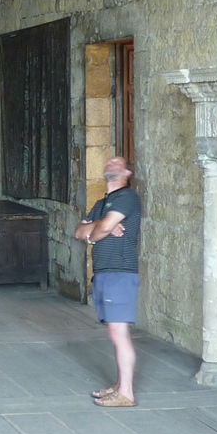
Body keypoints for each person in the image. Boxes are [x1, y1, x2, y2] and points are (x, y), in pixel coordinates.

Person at [75, 156, 141, 407]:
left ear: (127, 172)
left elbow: (96, 230)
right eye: (109, 161)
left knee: (118, 331)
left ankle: (126, 393)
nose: (112, 162)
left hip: (119, 271)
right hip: (105, 272)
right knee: (114, 331)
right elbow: (79, 232)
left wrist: (97, 229)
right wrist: (99, 227)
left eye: (118, 162)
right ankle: (120, 385)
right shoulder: (102, 203)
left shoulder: (127, 197)